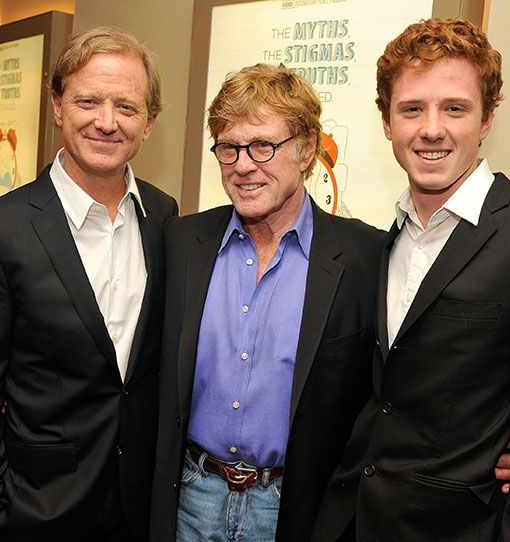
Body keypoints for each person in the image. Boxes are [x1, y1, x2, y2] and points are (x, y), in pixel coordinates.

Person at [312, 18, 510, 542]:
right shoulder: (388, 237)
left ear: (487, 118)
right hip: (352, 520)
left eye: (455, 108)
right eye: (412, 109)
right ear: (386, 121)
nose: (431, 129)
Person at [0, 26, 177, 541]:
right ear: (57, 106)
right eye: (88, 101)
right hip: (38, 510)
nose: (106, 122)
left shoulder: (163, 216)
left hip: (141, 506)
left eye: (127, 107)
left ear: (150, 122)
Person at [148, 63, 384, 542]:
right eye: (229, 148)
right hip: (191, 497)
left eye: (263, 146)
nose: (243, 164)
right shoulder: (181, 242)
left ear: (306, 149)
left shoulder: (365, 256)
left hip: (292, 507)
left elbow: (390, 391)